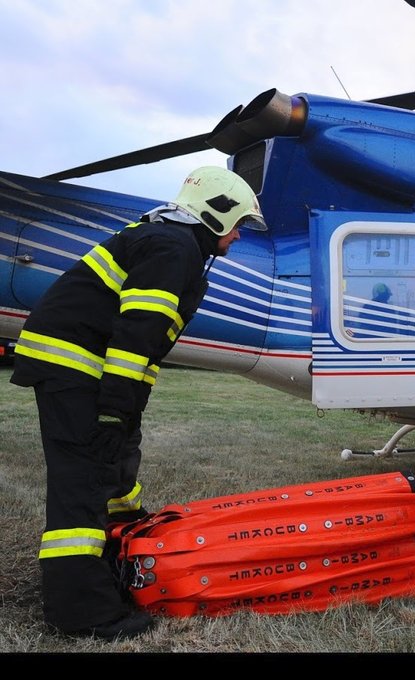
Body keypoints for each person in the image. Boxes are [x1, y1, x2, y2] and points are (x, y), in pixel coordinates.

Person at [10, 166, 266, 639]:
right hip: (76, 369)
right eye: (238, 224)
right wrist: (114, 409)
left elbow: (143, 349)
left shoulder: (165, 241)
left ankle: (117, 565)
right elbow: (137, 336)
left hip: (86, 369)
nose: (237, 237)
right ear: (215, 213)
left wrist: (125, 414)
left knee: (114, 466)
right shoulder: (172, 248)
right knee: (82, 483)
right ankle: (82, 612)